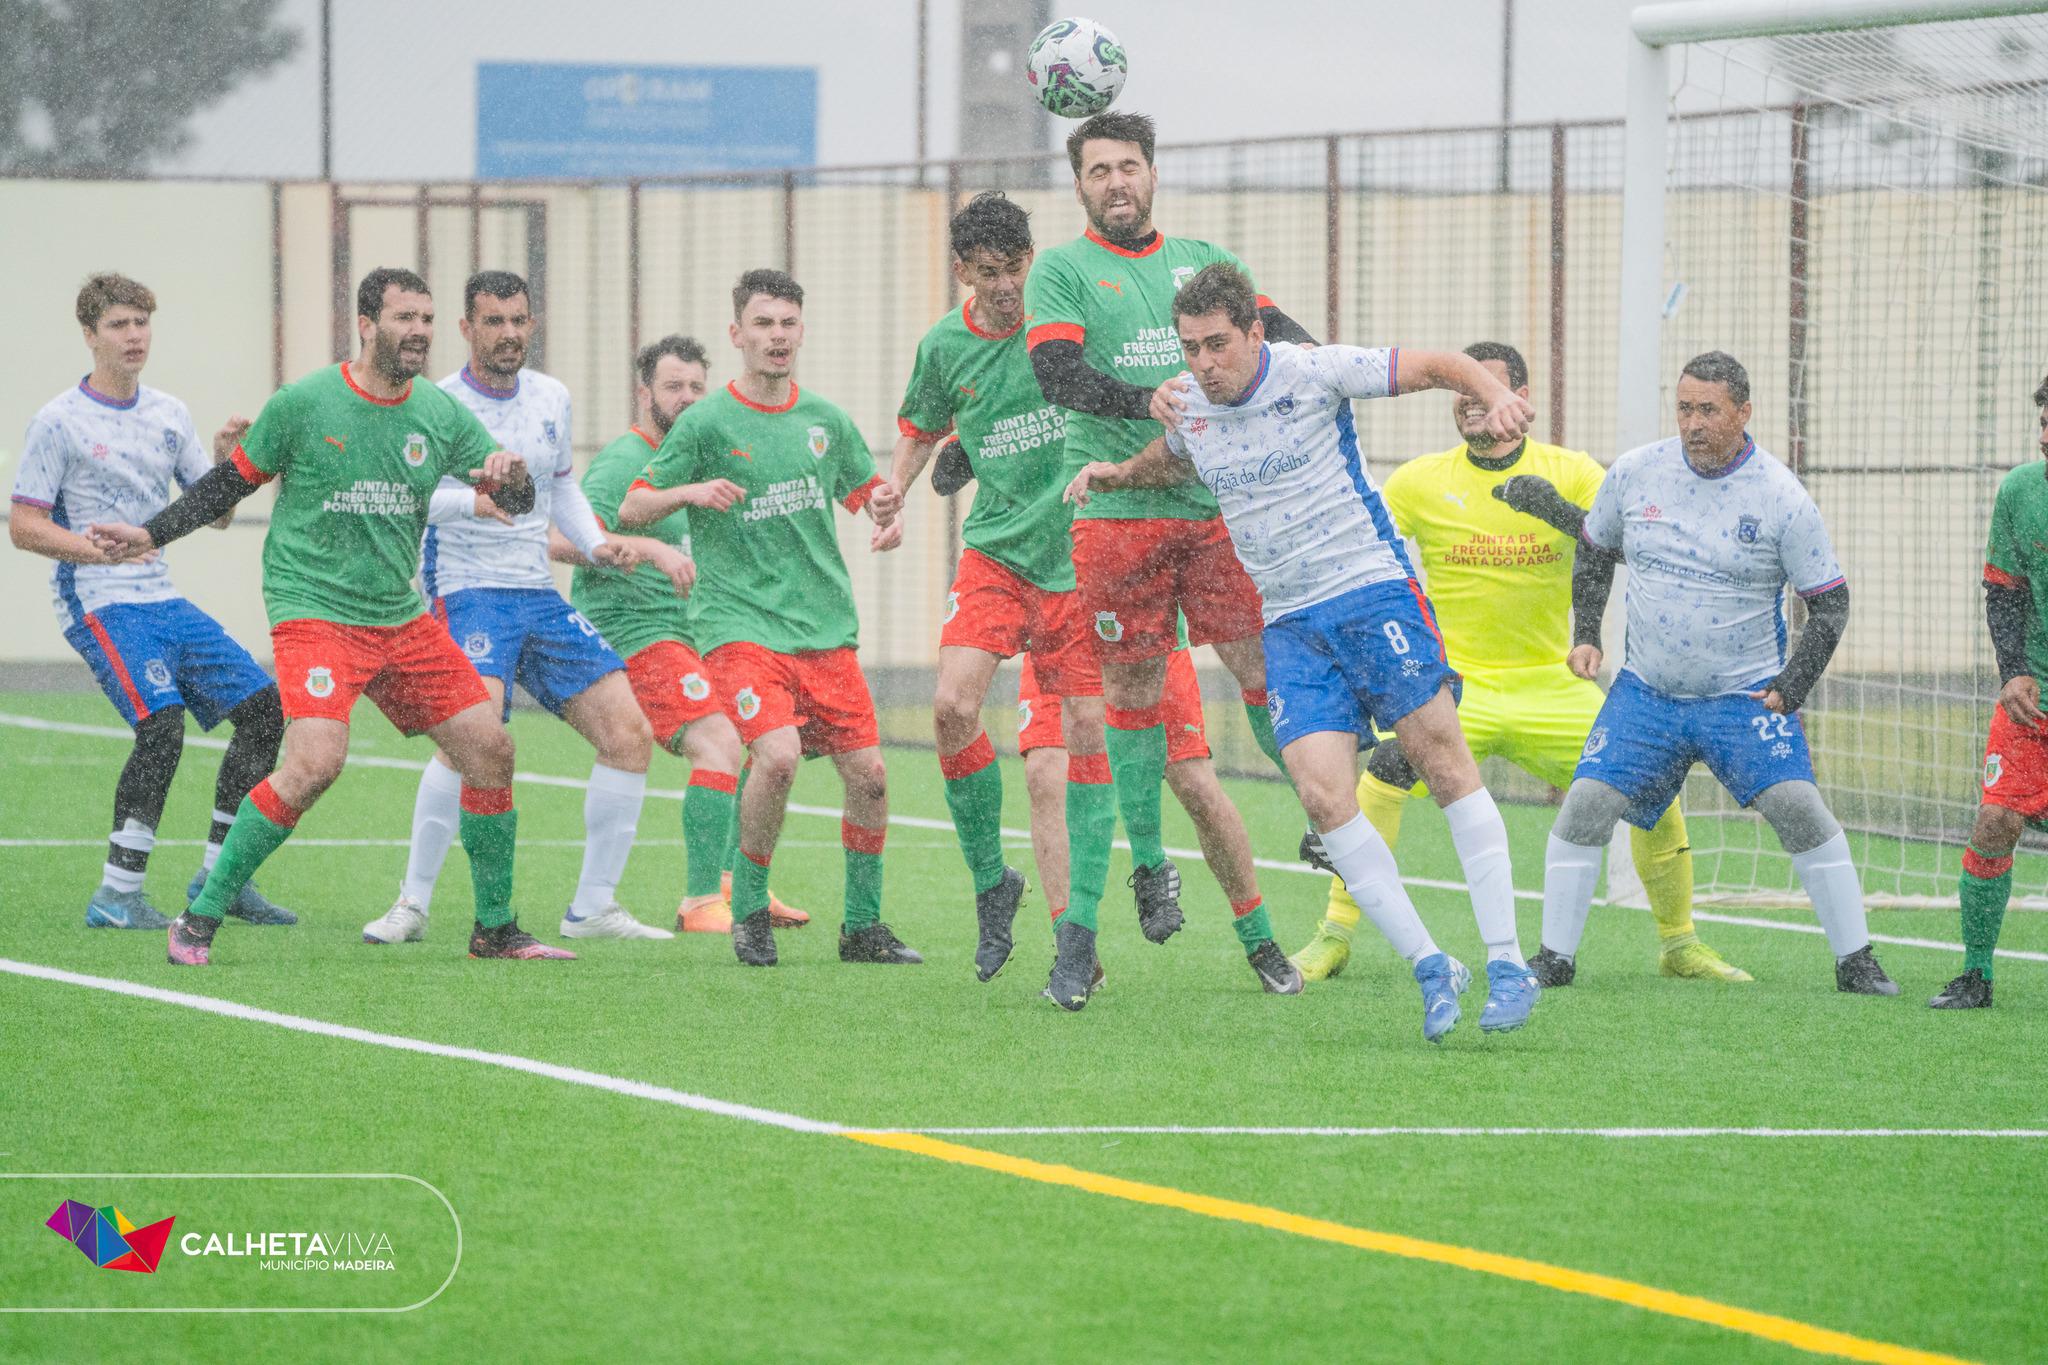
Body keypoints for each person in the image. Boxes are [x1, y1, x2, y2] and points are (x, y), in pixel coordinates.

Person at [1067, 262, 1543, 1038]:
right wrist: (1117, 473)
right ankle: (1431, 964)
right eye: (1189, 348)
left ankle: (1508, 961)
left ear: (1255, 331)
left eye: (1217, 344)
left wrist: (1495, 397)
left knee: (1441, 759)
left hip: (1371, 591)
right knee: (1324, 797)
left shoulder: (1314, 372)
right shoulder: (1189, 406)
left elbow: (1434, 366)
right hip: (1289, 623)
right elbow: (1173, 457)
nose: (1203, 363)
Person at [88, 266, 567, 966]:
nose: (419, 332)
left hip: (398, 618)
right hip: (313, 611)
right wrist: (150, 534)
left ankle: (495, 928)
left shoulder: (438, 413)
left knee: (491, 749)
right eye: (406, 317)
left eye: (428, 320)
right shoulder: (305, 401)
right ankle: (200, 915)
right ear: (367, 323)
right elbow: (228, 482)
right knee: (315, 762)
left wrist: (514, 477)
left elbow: (519, 504)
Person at [1291, 341, 1745, 987]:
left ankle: (1679, 941)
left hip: (1551, 685)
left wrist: (1553, 513)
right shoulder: (1419, 481)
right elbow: (1361, 555)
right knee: (1376, 781)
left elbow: (1616, 546)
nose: (1472, 401)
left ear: (1521, 400)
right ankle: (1333, 935)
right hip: (1455, 687)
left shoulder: (1572, 469)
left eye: (1488, 389)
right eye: (1463, 390)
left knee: (1654, 781)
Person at [1025, 110, 1319, 1003]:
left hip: (1213, 510)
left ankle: (1320, 810)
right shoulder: (1065, 270)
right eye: (1099, 169)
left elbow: (1284, 340)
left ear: (1152, 173)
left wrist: (1328, 374)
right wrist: (1156, 401)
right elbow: (1059, 378)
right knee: (1124, 703)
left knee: (1262, 667)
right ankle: (1122, 891)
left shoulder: (1200, 260)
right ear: (1080, 184)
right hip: (1117, 517)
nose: (1117, 181)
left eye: (1130, 166)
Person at [1534, 350, 1896, 995]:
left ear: (1743, 412)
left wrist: (1794, 684)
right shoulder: (1637, 472)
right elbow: (1594, 549)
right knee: (1586, 808)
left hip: (1743, 696)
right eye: (1684, 407)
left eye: (1708, 409)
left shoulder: (1782, 497)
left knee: (1798, 809)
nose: (1693, 423)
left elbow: (1831, 603)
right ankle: (1553, 958)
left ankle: (1857, 961)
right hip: (1645, 694)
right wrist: (1586, 633)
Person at [364, 270, 676, 946]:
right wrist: (478, 500)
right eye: (494, 322)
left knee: (629, 733)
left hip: (537, 593)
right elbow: (410, 494)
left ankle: (593, 906)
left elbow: (560, 484)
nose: (509, 334)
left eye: (519, 321)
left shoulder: (551, 397)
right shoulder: (432, 401)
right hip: (467, 591)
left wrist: (595, 546)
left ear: (532, 324)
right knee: (471, 742)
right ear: (466, 329)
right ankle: (412, 902)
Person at [618, 269, 915, 968]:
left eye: (787, 324)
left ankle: (864, 926)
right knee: (776, 757)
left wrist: (884, 511)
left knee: (870, 775)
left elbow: (864, 491)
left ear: (800, 333)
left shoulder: (825, 421)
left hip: (823, 630)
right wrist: (692, 489)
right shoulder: (707, 422)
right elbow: (633, 506)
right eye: (763, 324)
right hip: (739, 626)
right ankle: (746, 906)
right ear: (737, 335)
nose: (776, 336)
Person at [10, 272, 292, 931]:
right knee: (161, 727)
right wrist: (95, 550)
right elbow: (24, 525)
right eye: (118, 325)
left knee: (265, 710)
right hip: (101, 603)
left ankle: (222, 874)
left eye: (142, 323)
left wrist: (228, 462)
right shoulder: (58, 421)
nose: (134, 335)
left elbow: (213, 514)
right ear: (89, 335)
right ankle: (117, 894)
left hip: (163, 598)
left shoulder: (167, 412)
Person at [890, 191, 1105, 983]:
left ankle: (1079, 931)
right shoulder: (945, 344)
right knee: (950, 707)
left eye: (1016, 267)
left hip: (1078, 563)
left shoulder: (1064, 321)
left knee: (1084, 741)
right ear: (962, 273)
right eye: (988, 273)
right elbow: (919, 424)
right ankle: (992, 882)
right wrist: (895, 489)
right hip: (996, 556)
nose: (1007, 285)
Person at [572, 334, 809, 934]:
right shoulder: (626, 462)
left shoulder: (703, 458)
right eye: (673, 386)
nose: (686, 398)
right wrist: (647, 549)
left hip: (700, 634)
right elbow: (563, 538)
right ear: (644, 391)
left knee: (762, 739)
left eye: (697, 387)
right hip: (638, 633)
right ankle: (700, 900)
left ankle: (735, 886)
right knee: (718, 743)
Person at [1929, 371, 2048, 1009]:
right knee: (1996, 820)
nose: (2047, 437)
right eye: (2044, 423)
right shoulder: (2022, 491)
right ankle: (1977, 974)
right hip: (2035, 700)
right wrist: (2012, 671)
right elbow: (2003, 589)